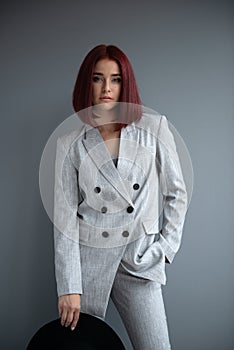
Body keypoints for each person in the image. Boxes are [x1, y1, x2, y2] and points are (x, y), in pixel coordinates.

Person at [53, 44, 188, 350]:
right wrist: (69, 286)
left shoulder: (154, 128)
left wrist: (166, 249)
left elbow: (177, 194)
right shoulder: (69, 143)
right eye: (98, 79)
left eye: (115, 79)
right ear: (86, 84)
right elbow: (64, 221)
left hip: (139, 261)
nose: (106, 88)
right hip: (88, 266)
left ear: (125, 84)